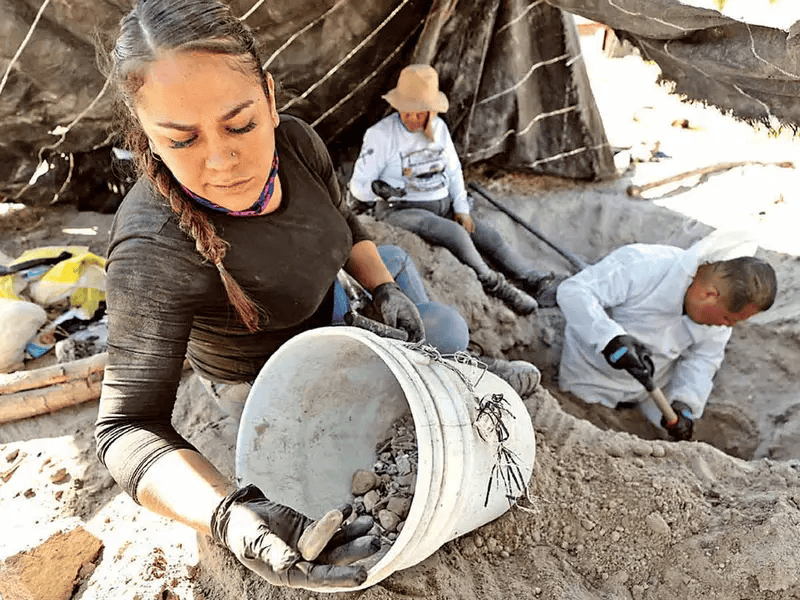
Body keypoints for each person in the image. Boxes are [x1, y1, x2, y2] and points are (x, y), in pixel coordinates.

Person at [95, 0, 541, 590]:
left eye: (241, 125)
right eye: (181, 140)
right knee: (345, 456)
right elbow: (126, 428)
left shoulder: (298, 146)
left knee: (440, 324)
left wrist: (383, 289)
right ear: (145, 134)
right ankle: (448, 372)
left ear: (269, 98)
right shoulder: (153, 247)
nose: (222, 161)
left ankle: (461, 371)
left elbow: (343, 222)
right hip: (269, 380)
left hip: (333, 312)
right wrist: (229, 516)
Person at [348, 64, 564, 315]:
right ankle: (496, 284)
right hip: (401, 209)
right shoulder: (381, 136)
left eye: (420, 112)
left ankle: (533, 278)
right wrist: (377, 190)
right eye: (407, 111)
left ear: (431, 110)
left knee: (489, 236)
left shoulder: (438, 128)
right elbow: (358, 186)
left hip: (443, 203)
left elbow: (453, 171)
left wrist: (461, 208)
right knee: (455, 234)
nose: (412, 118)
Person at [556, 232, 777, 441]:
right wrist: (610, 338)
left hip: (651, 391)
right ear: (709, 294)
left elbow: (703, 359)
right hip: (588, 379)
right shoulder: (643, 265)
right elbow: (574, 291)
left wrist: (685, 404)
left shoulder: (718, 319)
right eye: (728, 318)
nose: (728, 326)